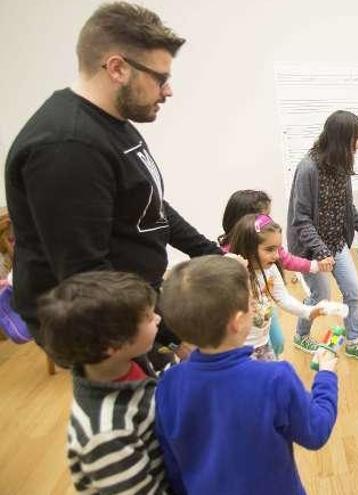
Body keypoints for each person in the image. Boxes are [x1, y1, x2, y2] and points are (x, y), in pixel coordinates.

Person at [4, 2, 221, 353]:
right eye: (160, 78)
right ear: (117, 68)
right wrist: (170, 339)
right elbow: (88, 280)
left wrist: (210, 254)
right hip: (102, 331)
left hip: (134, 309)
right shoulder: (67, 146)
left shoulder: (113, 124)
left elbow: (149, 206)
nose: (168, 91)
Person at [155, 255, 338, 495]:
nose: (255, 307)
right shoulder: (275, 378)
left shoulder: (167, 384)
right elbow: (315, 432)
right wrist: (325, 377)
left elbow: (172, 462)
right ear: (238, 322)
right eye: (252, 303)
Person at [38, 271, 167, 494]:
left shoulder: (125, 361)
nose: (158, 318)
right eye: (148, 317)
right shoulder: (106, 434)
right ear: (112, 344)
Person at [287, 110, 358, 364]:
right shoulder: (308, 169)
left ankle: (353, 342)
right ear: (342, 138)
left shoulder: (342, 162)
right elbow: (301, 218)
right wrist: (321, 252)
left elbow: (347, 207)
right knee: (321, 296)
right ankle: (301, 335)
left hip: (336, 242)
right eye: (357, 137)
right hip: (309, 248)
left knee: (353, 290)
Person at [218, 189, 321, 355]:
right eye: (270, 249)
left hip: (262, 341)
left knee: (278, 344)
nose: (277, 255)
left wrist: (308, 311)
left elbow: (282, 297)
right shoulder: (229, 270)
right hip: (239, 350)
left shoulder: (270, 268)